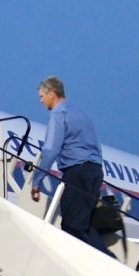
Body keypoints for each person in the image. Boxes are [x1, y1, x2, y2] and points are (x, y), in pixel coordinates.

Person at [29, 76, 107, 251]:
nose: (41, 101)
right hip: (94, 169)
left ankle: (94, 266)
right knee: (83, 224)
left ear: (51, 93)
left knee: (72, 226)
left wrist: (37, 181)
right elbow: (97, 146)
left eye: (42, 96)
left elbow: (50, 149)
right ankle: (105, 259)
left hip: (77, 171)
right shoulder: (80, 113)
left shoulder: (58, 114)